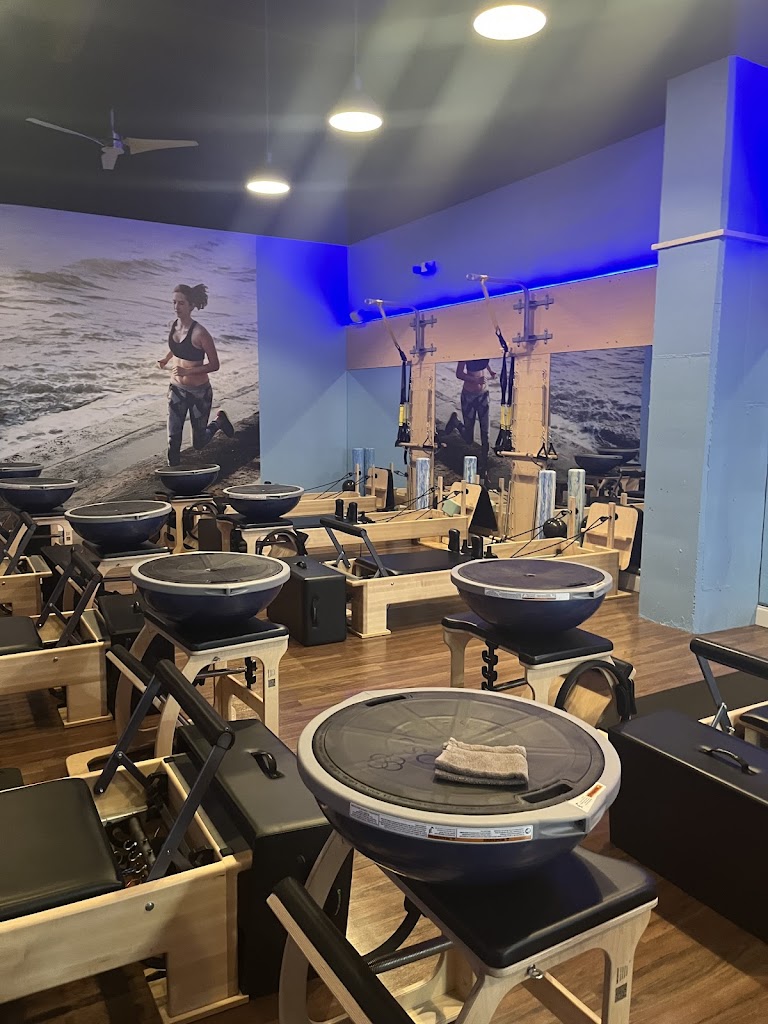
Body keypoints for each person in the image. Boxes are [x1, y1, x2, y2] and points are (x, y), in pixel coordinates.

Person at [158, 283, 235, 466]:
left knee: (199, 443)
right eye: (174, 302)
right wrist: (166, 359)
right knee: (173, 441)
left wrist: (188, 371)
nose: (176, 307)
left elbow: (215, 365)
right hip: (176, 389)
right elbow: (178, 348)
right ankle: (174, 476)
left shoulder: (201, 333)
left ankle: (219, 422)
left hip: (199, 392)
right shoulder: (173, 326)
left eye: (181, 303)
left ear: (191, 305)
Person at [444, 359, 497, 476]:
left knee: (485, 433)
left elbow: (484, 360)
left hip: (483, 394)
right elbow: (459, 373)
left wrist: (490, 370)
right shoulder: (466, 353)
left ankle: (484, 466)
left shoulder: (484, 351)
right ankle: (455, 422)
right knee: (468, 438)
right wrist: (476, 380)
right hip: (469, 396)